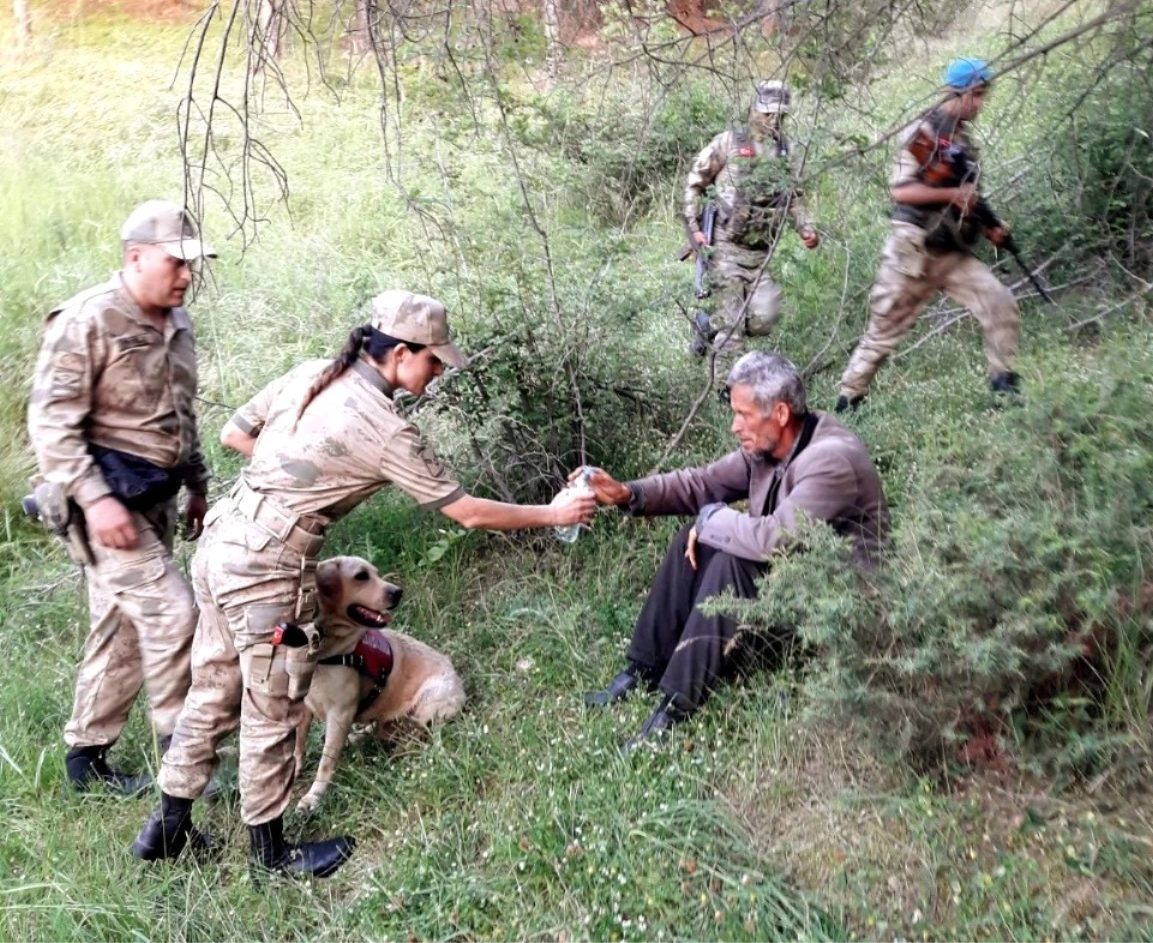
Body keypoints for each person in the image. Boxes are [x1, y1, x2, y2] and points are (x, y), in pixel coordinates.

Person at [132, 290, 596, 879]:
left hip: (225, 539)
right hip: (268, 566)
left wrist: (296, 483)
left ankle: (166, 829)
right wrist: (555, 515)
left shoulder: (310, 375)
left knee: (213, 685)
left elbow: (235, 433)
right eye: (432, 361)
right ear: (401, 354)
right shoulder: (383, 427)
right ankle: (271, 858)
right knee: (276, 703)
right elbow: (469, 513)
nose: (436, 375)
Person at [579, 351, 888, 749]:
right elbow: (701, 483)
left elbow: (774, 540)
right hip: (795, 584)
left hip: (834, 615)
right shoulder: (770, 449)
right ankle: (643, 669)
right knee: (696, 540)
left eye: (743, 414)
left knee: (733, 559)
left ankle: (674, 709)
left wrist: (709, 519)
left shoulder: (830, 460)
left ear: (779, 413)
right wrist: (628, 493)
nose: (734, 425)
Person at [27, 200, 215, 794]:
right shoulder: (88, 319)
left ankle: (87, 762)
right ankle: (185, 765)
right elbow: (51, 424)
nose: (187, 275)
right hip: (105, 507)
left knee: (122, 628)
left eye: (192, 265)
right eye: (176, 263)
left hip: (154, 498)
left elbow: (179, 416)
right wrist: (97, 499)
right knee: (173, 616)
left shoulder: (176, 324)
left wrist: (197, 486)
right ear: (136, 258)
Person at [836, 57, 1020, 412]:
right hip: (914, 251)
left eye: (983, 95)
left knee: (999, 303)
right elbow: (902, 191)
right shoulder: (926, 131)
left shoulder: (961, 137)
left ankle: (1005, 391)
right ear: (959, 92)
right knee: (882, 335)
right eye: (977, 95)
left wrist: (990, 227)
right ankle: (848, 405)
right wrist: (951, 195)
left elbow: (966, 197)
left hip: (950, 252)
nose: (980, 104)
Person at [683, 79, 820, 373]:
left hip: (761, 252)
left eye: (779, 115)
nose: (772, 121)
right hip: (725, 245)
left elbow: (794, 195)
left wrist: (805, 227)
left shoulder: (785, 151)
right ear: (754, 110)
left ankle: (708, 324)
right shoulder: (729, 142)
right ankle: (723, 387)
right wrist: (694, 230)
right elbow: (695, 182)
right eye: (767, 113)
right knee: (733, 328)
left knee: (764, 318)